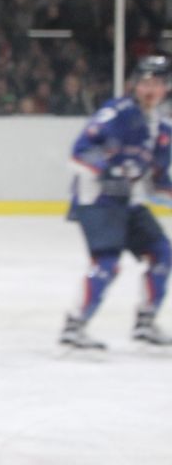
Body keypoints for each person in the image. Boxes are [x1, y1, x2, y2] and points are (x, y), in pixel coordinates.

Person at [61, 54, 172, 349]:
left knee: (162, 253)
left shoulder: (163, 130)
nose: (150, 88)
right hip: (96, 199)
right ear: (135, 84)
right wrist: (107, 173)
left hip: (128, 203)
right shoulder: (117, 112)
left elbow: (156, 182)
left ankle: (145, 323)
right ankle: (75, 324)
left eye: (158, 83)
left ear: (166, 89)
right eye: (145, 82)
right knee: (107, 263)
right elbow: (80, 151)